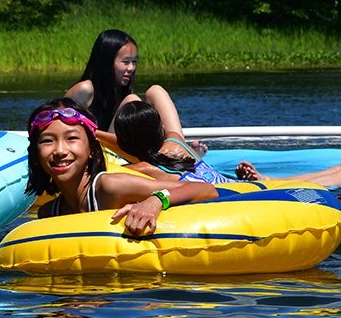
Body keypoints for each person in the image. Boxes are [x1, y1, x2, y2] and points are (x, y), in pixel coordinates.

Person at [112, 92, 341, 189]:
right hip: (249, 189)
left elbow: (108, 173)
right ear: (160, 130)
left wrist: (95, 132)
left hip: (251, 192)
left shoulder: (143, 170)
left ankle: (265, 178)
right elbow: (155, 92)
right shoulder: (176, 147)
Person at [25, 98, 217, 236]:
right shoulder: (49, 212)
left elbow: (206, 189)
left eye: (72, 138)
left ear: (92, 149)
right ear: (35, 153)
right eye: (47, 141)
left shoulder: (109, 187)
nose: (60, 150)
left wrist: (155, 201)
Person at [66, 29, 207, 155]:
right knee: (132, 101)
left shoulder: (121, 91)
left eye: (134, 61)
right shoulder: (85, 89)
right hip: (103, 152)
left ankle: (180, 147)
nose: (131, 68)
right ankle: (170, 153)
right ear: (107, 62)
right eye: (126, 62)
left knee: (155, 91)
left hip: (128, 149)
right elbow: (58, 125)